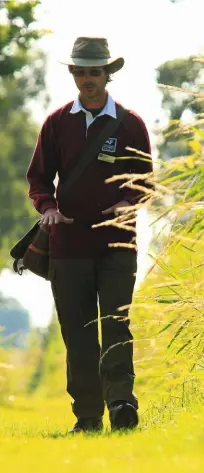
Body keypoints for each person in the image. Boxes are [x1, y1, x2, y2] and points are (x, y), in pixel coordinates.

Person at [26, 37, 153, 433]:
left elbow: (146, 181)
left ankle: (121, 406)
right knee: (78, 335)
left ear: (107, 73)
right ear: (73, 74)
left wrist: (127, 203)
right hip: (68, 248)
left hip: (117, 244)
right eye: (80, 71)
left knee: (115, 324)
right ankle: (87, 418)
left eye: (94, 71)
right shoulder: (56, 123)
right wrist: (48, 208)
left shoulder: (130, 123)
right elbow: (38, 179)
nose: (87, 79)